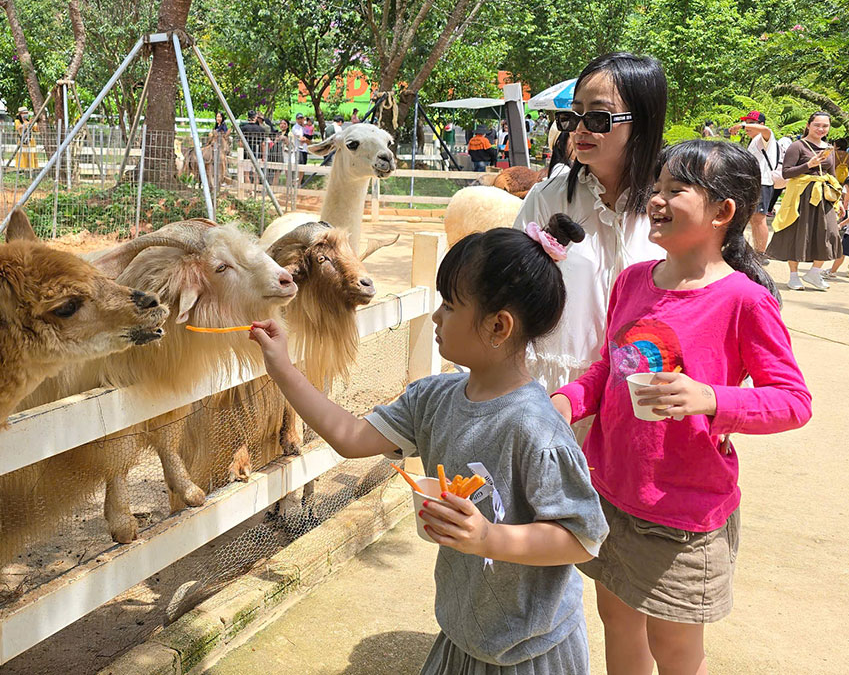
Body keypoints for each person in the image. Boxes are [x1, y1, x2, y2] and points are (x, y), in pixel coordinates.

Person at [250, 218, 609, 674]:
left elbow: (581, 537)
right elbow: (350, 437)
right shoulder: (433, 398)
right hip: (463, 632)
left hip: (531, 651)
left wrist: (489, 537)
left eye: (450, 306)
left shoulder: (538, 429)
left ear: (498, 326)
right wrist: (282, 367)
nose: (437, 318)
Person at [553, 139, 813, 675]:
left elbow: (793, 401)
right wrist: (569, 399)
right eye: (657, 187)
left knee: (672, 643)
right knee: (616, 618)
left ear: (723, 212)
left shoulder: (744, 299)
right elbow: (610, 367)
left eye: (677, 190)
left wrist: (712, 398)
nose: (656, 199)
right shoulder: (631, 282)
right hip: (612, 491)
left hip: (683, 511)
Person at [514, 52, 667, 400]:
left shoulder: (671, 206)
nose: (580, 129)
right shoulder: (547, 198)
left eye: (598, 118)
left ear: (642, 121)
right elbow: (512, 290)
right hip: (557, 393)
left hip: (640, 395)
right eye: (572, 116)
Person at [766, 112, 842, 291]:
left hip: (824, 195)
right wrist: (809, 165)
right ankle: (793, 275)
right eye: (817, 125)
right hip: (801, 195)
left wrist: (840, 199)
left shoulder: (828, 148)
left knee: (829, 232)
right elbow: (786, 173)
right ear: (808, 125)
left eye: (825, 126)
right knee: (798, 232)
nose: (821, 129)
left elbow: (831, 174)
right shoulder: (797, 146)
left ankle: (815, 272)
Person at [732, 110, 780, 260]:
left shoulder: (765, 137)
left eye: (752, 123)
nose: (748, 127)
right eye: (747, 122)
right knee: (753, 218)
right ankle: (755, 250)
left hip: (763, 182)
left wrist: (741, 125)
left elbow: (767, 130)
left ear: (761, 124)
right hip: (753, 182)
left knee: (759, 218)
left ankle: (760, 253)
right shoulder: (753, 140)